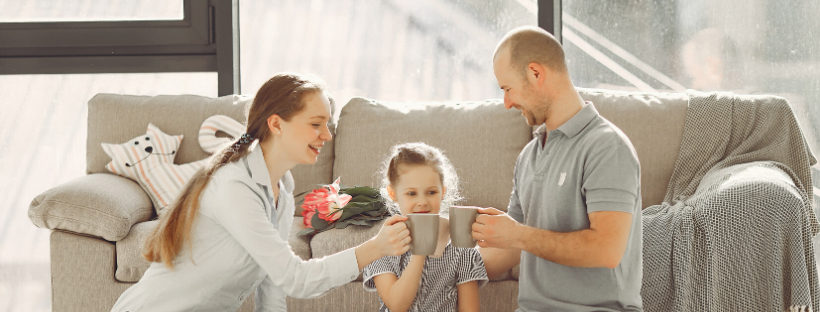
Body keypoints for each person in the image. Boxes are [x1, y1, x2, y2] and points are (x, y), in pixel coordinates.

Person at [111, 73, 411, 312]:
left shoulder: (282, 185)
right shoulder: (234, 186)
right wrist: (375, 247)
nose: (327, 135)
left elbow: (273, 285)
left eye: (327, 124)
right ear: (276, 124)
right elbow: (296, 279)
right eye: (316, 124)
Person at [472, 26, 643, 311]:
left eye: (508, 89)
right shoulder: (529, 155)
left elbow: (607, 250)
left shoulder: (607, 147)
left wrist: (517, 234)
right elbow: (509, 248)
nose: (506, 103)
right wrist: (434, 266)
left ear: (536, 74)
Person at [363, 142, 488, 312]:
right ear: (393, 194)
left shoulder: (462, 249)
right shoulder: (381, 248)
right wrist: (421, 249)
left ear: (442, 192)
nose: (422, 202)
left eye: (431, 192)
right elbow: (397, 305)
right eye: (412, 193)